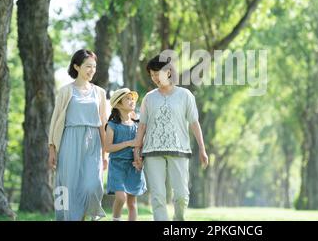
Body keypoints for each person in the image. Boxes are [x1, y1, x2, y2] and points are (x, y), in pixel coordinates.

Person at [134, 54, 209, 221]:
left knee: (182, 195)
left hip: (180, 149)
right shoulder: (149, 98)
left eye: (157, 74)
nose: (154, 79)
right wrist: (136, 150)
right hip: (152, 150)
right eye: (151, 75)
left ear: (168, 72)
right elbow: (142, 126)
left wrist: (202, 149)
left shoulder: (185, 95)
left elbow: (194, 123)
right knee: (158, 196)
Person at [48, 49, 108, 221]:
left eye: (94, 67)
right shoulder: (66, 91)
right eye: (88, 66)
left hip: (93, 142)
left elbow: (103, 124)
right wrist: (52, 149)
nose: (92, 70)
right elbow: (55, 120)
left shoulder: (100, 93)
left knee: (92, 186)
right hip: (69, 140)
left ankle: (84, 216)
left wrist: (106, 154)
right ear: (77, 66)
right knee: (68, 187)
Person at [105, 88, 147, 221]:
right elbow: (107, 148)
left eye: (132, 99)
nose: (132, 101)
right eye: (127, 99)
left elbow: (140, 145)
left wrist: (139, 159)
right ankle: (116, 219)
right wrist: (129, 143)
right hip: (117, 166)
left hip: (133, 166)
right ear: (118, 104)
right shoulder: (112, 125)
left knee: (132, 203)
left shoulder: (137, 124)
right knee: (121, 197)